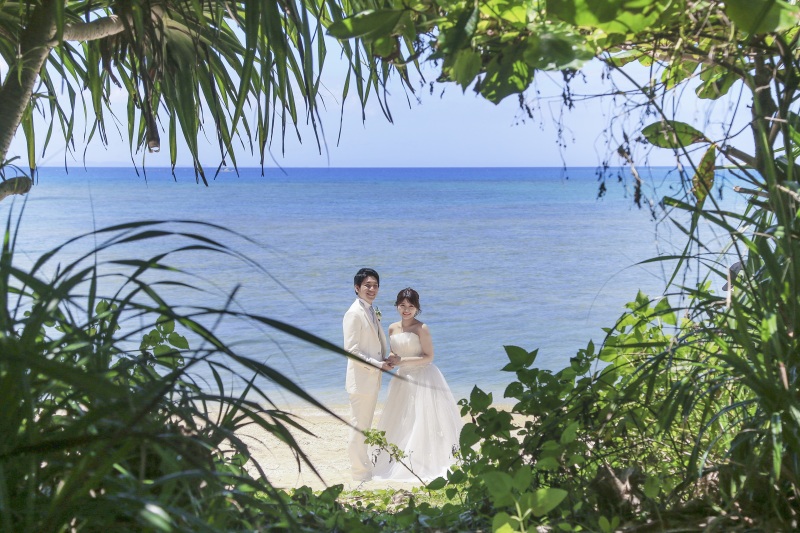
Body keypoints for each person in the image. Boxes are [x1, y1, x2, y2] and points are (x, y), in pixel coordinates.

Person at [371, 287, 463, 482]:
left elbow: (428, 357)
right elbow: (396, 354)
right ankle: (400, 460)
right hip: (403, 378)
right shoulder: (392, 328)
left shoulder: (422, 328)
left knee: (424, 420)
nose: (406, 310)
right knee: (404, 420)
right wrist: (388, 363)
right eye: (402, 306)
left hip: (423, 377)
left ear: (417, 308)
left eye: (411, 306)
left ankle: (424, 462)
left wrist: (401, 362)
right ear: (397, 306)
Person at [343, 268, 399, 481]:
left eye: (375, 285)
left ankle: (364, 468)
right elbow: (352, 351)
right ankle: (359, 473)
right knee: (359, 426)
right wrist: (378, 365)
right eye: (367, 285)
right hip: (361, 380)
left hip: (370, 379)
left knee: (364, 425)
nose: (372, 289)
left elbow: (373, 344)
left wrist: (385, 359)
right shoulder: (353, 313)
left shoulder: (370, 310)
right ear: (357, 288)